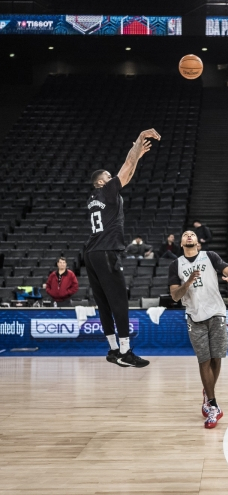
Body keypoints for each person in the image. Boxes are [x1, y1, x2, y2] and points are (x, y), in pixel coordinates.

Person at [84, 128, 161, 368]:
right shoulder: (105, 190)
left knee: (103, 304)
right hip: (107, 251)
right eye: (108, 176)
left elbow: (127, 172)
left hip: (92, 253)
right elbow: (126, 168)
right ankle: (126, 351)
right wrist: (138, 140)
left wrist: (137, 155)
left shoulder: (94, 198)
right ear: (100, 182)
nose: (113, 178)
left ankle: (113, 350)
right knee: (119, 302)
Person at [168, 230, 228, 429]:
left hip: (217, 312)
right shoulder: (176, 265)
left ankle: (208, 395)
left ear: (198, 242)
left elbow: (227, 270)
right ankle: (213, 404)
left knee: (216, 358)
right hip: (194, 315)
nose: (189, 236)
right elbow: (175, 296)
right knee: (204, 359)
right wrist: (189, 281)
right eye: (185, 235)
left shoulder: (210, 257)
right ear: (181, 243)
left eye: (192, 234)